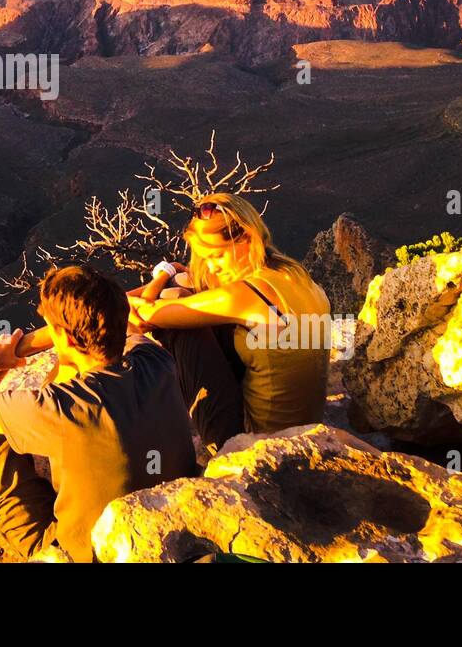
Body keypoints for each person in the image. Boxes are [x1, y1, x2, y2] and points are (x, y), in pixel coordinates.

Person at [0, 264, 197, 562]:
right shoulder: (155, 361)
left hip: (75, 549)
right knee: (57, 382)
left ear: (69, 339)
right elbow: (127, 327)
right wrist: (60, 331)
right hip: (162, 518)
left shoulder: (64, 408)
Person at [129, 192, 330, 455]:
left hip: (252, 445)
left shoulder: (245, 296)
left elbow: (146, 315)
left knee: (174, 305)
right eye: (204, 258)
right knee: (187, 286)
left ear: (247, 239)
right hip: (303, 430)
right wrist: (177, 274)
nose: (210, 267)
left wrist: (162, 277)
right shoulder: (295, 277)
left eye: (217, 256)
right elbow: (205, 286)